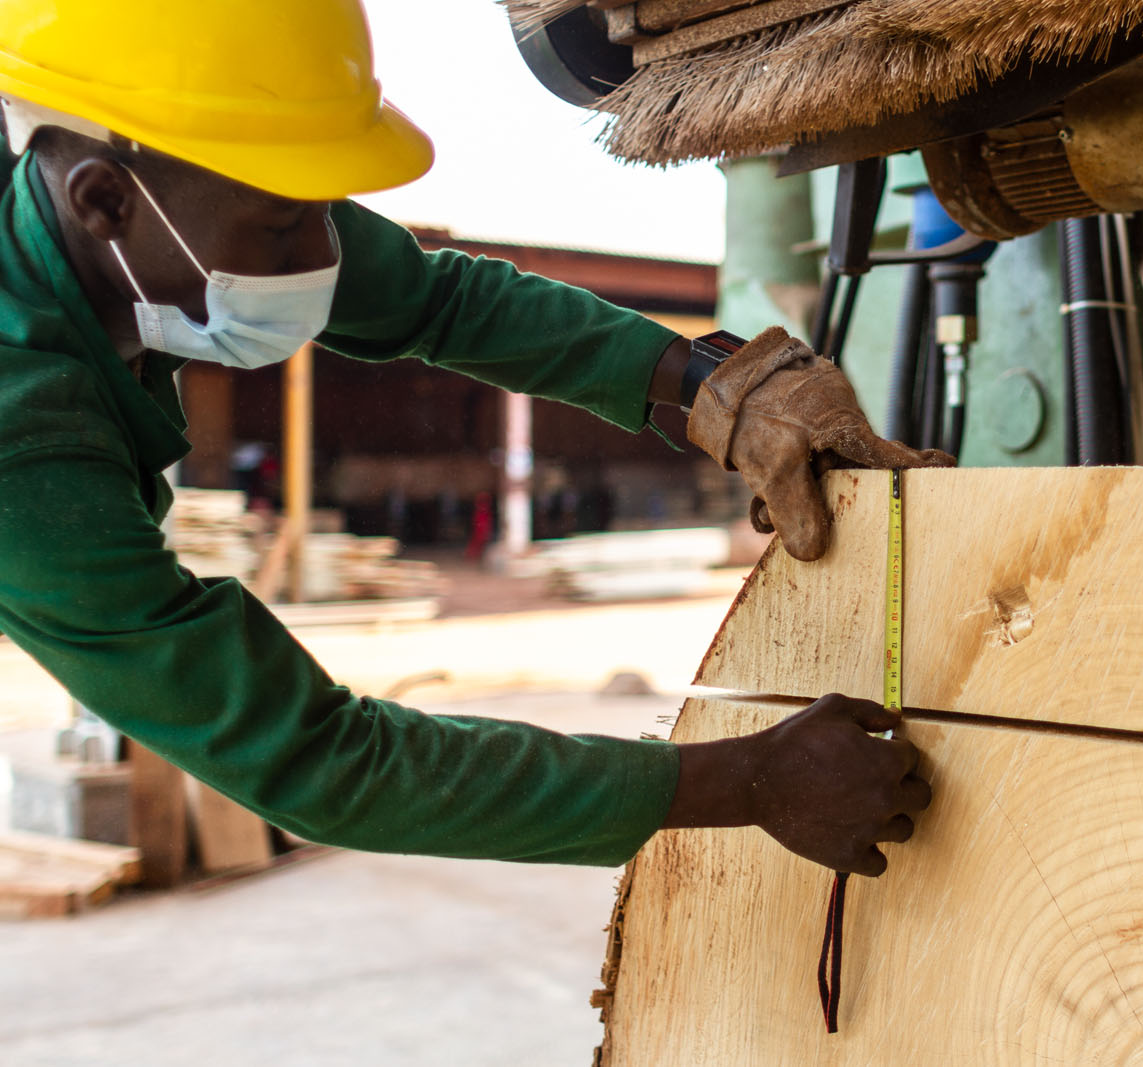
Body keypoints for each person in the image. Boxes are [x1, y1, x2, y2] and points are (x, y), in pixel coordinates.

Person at [0, 0, 950, 877]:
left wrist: (717, 390)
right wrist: (746, 780)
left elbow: (442, 300)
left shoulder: (191, 210)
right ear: (104, 203)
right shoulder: (18, 432)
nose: (324, 256)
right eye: (289, 226)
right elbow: (314, 760)